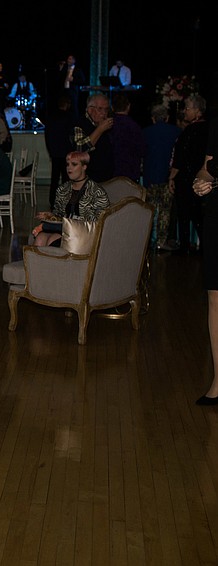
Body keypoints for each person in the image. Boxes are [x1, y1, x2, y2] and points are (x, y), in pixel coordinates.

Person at [32, 151, 110, 247]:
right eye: (67, 164)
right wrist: (50, 216)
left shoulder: (96, 191)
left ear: (84, 167)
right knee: (40, 238)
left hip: (85, 234)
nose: (69, 168)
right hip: (64, 231)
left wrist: (66, 224)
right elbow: (59, 215)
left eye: (74, 164)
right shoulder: (63, 189)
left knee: (53, 239)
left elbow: (101, 222)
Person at [193, 117, 218, 404]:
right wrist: (203, 180)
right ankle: (217, 380)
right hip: (216, 212)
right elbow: (208, 165)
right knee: (215, 295)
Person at [169, 93, 209, 255]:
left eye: (187, 108)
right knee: (198, 214)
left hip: (187, 178)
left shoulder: (190, 131)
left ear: (198, 111)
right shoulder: (209, 128)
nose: (184, 111)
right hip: (201, 177)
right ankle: (204, 246)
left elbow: (180, 157)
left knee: (185, 213)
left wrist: (171, 177)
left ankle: (185, 246)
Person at [143, 104, 182, 251]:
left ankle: (146, 242)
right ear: (167, 117)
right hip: (168, 177)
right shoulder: (176, 132)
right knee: (165, 211)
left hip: (150, 178)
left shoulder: (145, 132)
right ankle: (161, 241)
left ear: (153, 118)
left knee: (149, 210)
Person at [71, 92, 114, 183]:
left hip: (106, 179)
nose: (104, 113)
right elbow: (79, 149)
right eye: (100, 109)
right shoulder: (79, 124)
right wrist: (100, 129)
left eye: (106, 110)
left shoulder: (105, 125)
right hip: (87, 181)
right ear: (90, 110)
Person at [44, 93, 75, 208]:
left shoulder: (51, 117)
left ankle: (53, 200)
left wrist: (50, 150)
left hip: (55, 152)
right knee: (66, 179)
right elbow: (71, 136)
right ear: (67, 104)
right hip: (66, 152)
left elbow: (47, 135)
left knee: (54, 178)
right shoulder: (69, 117)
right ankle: (65, 201)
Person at [110, 93, 146, 181]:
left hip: (111, 173)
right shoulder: (134, 126)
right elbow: (142, 150)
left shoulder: (107, 125)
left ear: (112, 107)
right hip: (130, 173)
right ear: (128, 106)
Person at [59, 54, 86, 120]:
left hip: (73, 91)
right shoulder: (65, 69)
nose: (68, 60)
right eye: (68, 59)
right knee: (64, 107)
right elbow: (59, 78)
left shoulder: (78, 70)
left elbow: (83, 81)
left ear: (74, 61)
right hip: (65, 90)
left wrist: (74, 80)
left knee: (73, 107)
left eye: (70, 59)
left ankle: (75, 122)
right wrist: (61, 69)